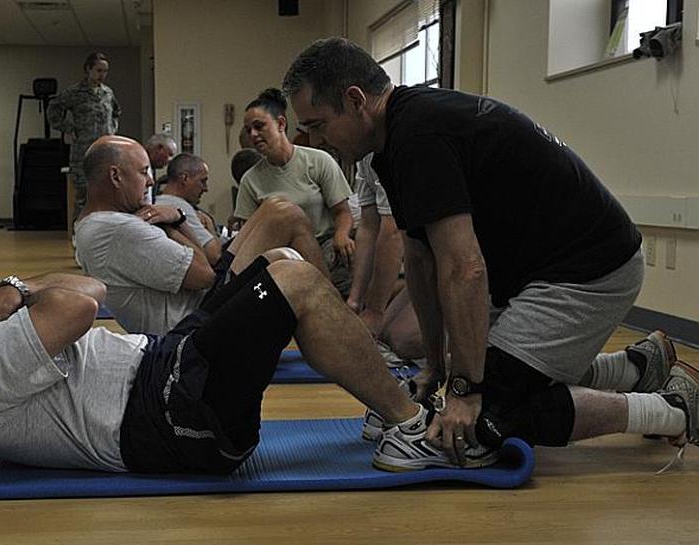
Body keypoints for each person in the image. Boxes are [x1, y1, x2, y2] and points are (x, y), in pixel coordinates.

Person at [283, 37, 699, 464]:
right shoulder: (391, 144)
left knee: (492, 420)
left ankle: (675, 409)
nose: (316, 139)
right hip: (538, 270)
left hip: (590, 268)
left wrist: (465, 391)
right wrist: (437, 367)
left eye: (317, 125)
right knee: (490, 372)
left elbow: (464, 269)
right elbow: (421, 260)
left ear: (355, 101)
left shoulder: (420, 134)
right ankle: (636, 368)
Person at [0, 244, 493, 474]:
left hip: (163, 368)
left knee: (281, 265)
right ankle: (412, 425)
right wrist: (22, 292)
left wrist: (17, 287)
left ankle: (386, 410)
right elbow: (77, 307)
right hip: (171, 418)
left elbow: (92, 290)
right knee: (293, 284)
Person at [74, 135, 329, 336]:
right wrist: (176, 222)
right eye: (143, 172)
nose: (151, 182)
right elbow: (205, 274)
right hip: (198, 320)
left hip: (202, 299)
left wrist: (179, 219)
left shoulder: (93, 223)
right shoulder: (119, 229)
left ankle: (328, 307)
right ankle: (331, 311)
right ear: (116, 176)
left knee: (278, 208)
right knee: (287, 220)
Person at [232, 88, 355, 297]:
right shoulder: (250, 181)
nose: (252, 134)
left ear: (281, 124)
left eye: (259, 126)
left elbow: (342, 211)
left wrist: (342, 234)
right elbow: (250, 234)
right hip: (282, 255)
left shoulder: (318, 161)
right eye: (248, 129)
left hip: (325, 245)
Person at [347, 153, 422, 365]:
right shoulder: (365, 157)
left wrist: (374, 310)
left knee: (404, 341)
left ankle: (495, 338)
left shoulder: (396, 151)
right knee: (386, 336)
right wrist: (354, 302)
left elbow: (393, 231)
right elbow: (369, 226)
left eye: (320, 126)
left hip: (472, 260)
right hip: (431, 263)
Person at [48, 52, 121, 218]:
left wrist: (112, 130)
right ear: (88, 69)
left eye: (105, 71)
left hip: (105, 151)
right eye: (98, 70)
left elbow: (116, 112)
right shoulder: (74, 93)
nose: (102, 75)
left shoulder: (108, 93)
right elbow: (54, 109)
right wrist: (68, 128)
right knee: (83, 196)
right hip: (83, 151)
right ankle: (80, 235)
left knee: (107, 194)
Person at [155, 153, 222, 266]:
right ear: (185, 178)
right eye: (202, 181)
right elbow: (214, 256)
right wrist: (210, 227)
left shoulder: (158, 200)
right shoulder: (178, 205)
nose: (206, 189)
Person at [144, 133, 178, 200]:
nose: (170, 160)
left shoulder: (150, 168)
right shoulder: (138, 165)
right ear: (159, 148)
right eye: (170, 154)